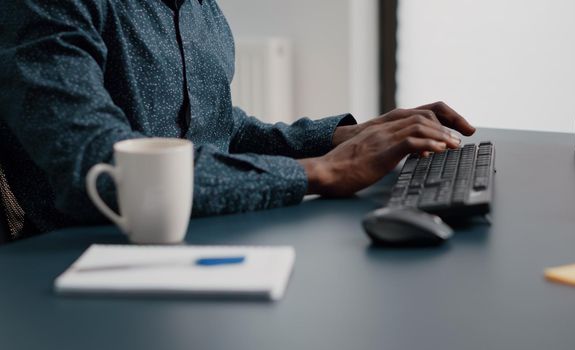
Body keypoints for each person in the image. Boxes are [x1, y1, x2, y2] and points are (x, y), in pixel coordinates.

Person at [0, 0, 475, 237]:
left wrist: (340, 137)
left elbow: (219, 128)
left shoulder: (202, 11)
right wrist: (326, 171)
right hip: (67, 259)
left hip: (193, 244)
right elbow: (98, 168)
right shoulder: (47, 7)